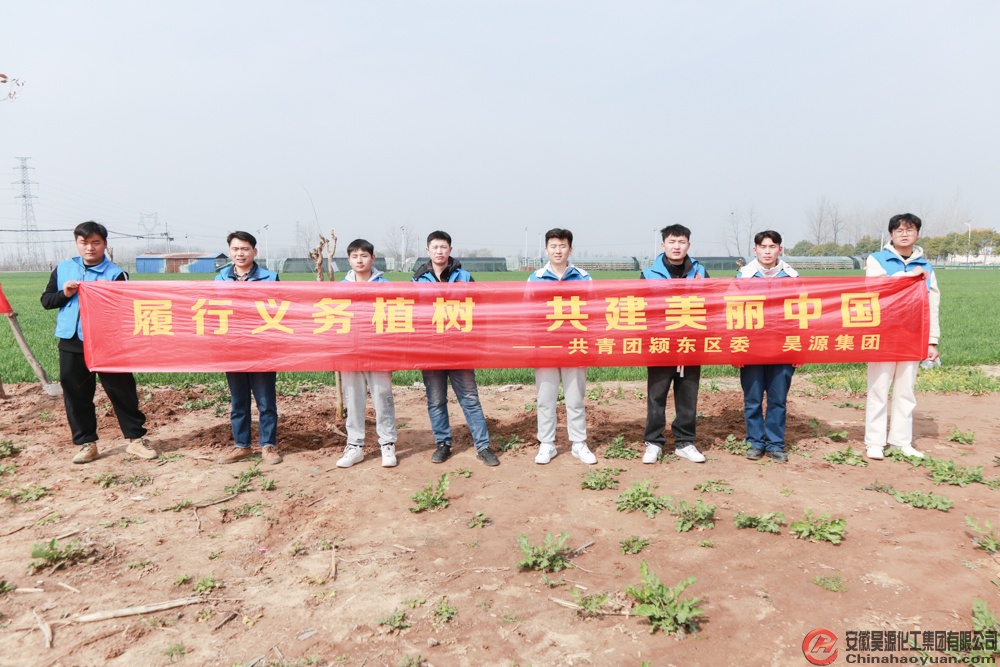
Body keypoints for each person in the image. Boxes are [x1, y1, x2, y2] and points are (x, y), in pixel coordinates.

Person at [40, 221, 159, 464]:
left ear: (105, 244)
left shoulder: (116, 274)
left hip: (108, 343)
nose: (90, 248)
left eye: (95, 242)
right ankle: (87, 444)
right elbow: (47, 301)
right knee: (76, 394)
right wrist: (65, 294)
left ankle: (136, 439)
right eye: (84, 242)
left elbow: (125, 310)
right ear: (76, 244)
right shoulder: (63, 269)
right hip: (72, 341)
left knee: (122, 391)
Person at [412, 231, 499, 466]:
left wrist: (477, 343)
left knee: (470, 399)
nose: (439, 251)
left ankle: (483, 446)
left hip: (460, 348)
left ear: (450, 249)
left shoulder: (465, 277)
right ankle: (443, 444)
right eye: (435, 247)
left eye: (443, 247)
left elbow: (478, 310)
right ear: (428, 250)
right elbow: (413, 314)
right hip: (431, 349)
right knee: (436, 400)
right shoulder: (418, 280)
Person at [865, 213, 940, 460]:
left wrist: (932, 340)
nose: (904, 234)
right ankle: (875, 442)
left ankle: (901, 441)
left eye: (910, 230)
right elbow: (879, 288)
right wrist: (911, 277)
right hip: (883, 333)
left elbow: (932, 304)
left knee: (905, 390)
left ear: (917, 234)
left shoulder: (926, 267)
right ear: (891, 235)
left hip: (913, 335)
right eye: (899, 230)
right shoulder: (877, 260)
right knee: (879, 388)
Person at [639, 224, 708, 464]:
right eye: (672, 242)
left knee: (688, 394)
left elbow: (711, 304)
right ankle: (653, 442)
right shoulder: (649, 274)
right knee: (656, 395)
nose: (676, 246)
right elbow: (641, 309)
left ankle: (685, 442)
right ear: (663, 245)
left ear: (688, 245)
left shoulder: (700, 272)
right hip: (660, 343)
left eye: (681, 242)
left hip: (690, 343)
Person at [527, 228, 596, 465]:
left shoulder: (583, 278)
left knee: (575, 398)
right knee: (545, 398)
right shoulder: (535, 278)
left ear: (570, 249)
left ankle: (579, 443)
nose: (558, 251)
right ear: (546, 250)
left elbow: (593, 311)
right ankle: (547, 444)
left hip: (575, 346)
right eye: (553, 246)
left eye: (562, 246)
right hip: (545, 347)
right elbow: (527, 313)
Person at [215, 231, 282, 465]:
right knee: (238, 400)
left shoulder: (270, 278)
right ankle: (242, 445)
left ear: (255, 251)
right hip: (233, 348)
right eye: (235, 249)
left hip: (262, 347)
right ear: (229, 252)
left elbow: (280, 310)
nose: (240, 253)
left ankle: (268, 445)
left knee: (265, 400)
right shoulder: (220, 279)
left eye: (245, 249)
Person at [735, 231, 800, 463]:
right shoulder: (743, 277)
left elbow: (800, 314)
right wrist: (737, 349)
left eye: (772, 247)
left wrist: (798, 349)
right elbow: (734, 313)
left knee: (778, 399)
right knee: (752, 398)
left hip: (783, 346)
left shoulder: (792, 277)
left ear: (780, 249)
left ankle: (775, 444)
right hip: (751, 346)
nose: (767, 251)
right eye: (763, 247)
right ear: (755, 250)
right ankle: (755, 442)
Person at [336, 239, 398, 468]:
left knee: (383, 396)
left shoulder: (387, 287)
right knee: (353, 398)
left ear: (373, 258)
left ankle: (387, 444)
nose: (359, 260)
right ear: (348, 259)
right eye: (354, 256)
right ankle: (354, 445)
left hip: (379, 350)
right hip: (350, 350)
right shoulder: (340, 288)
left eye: (364, 256)